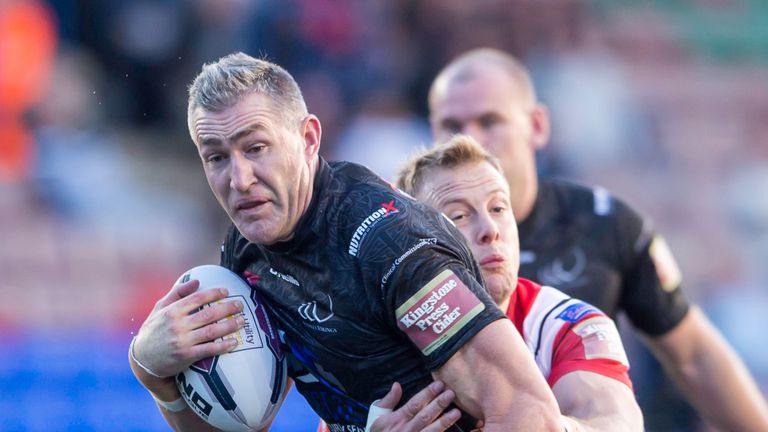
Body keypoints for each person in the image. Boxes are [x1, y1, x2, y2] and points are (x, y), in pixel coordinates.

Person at [128, 52, 567, 432]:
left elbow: (531, 415)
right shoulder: (246, 250)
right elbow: (244, 425)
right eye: (217, 158)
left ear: (308, 139)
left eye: (256, 148)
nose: (239, 180)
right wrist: (154, 375)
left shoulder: (390, 246)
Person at [426, 47, 768, 431]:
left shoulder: (605, 224)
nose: (472, 139)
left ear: (537, 126)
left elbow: (694, 358)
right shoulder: (397, 240)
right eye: (452, 125)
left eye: (490, 121)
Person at [320, 135, 646, 432]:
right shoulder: (367, 346)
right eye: (459, 215)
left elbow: (617, 423)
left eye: (498, 208)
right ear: (410, 240)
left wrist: (535, 421)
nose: (490, 228)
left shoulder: (566, 325)